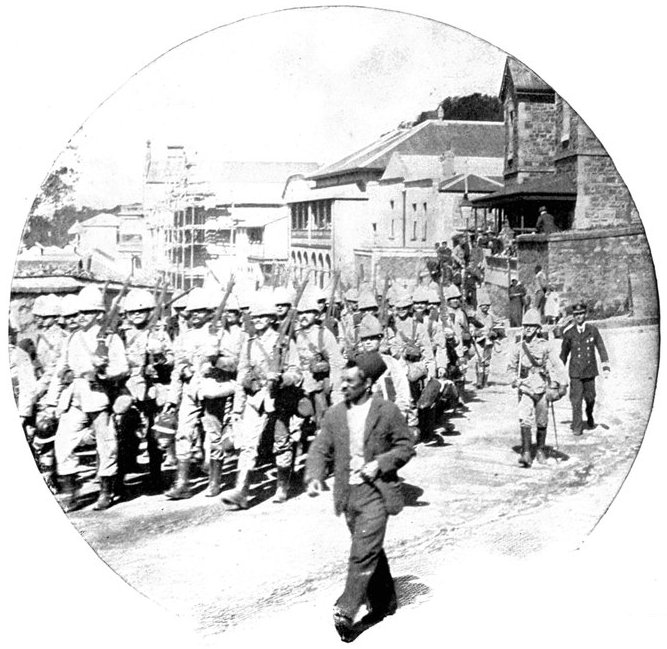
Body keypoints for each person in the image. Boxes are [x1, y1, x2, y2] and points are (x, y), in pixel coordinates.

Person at [305, 352, 415, 642]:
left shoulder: (387, 411)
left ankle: (347, 608)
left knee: (363, 549)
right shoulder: (335, 414)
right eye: (343, 380)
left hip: (377, 491)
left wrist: (380, 463)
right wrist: (314, 475)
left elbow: (406, 446)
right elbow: (320, 447)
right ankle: (385, 600)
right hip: (348, 494)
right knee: (368, 544)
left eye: (351, 382)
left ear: (367, 384)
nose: (343, 386)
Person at [45, 285, 130, 511]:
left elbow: (123, 368)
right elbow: (61, 370)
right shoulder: (73, 338)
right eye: (79, 312)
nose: (81, 316)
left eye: (87, 312)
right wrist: (52, 401)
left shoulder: (110, 338)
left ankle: (106, 491)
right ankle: (70, 493)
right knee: (63, 443)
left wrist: (103, 373)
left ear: (99, 314)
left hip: (99, 395)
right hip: (74, 397)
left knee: (106, 444)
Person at [222, 294, 302, 509]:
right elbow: (241, 377)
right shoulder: (249, 344)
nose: (257, 320)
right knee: (248, 445)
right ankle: (241, 492)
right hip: (254, 400)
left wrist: (282, 379)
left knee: (281, 442)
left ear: (271, 318)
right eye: (255, 317)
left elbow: (297, 372)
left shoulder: (284, 342)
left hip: (278, 399)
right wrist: (237, 409)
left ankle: (282, 487)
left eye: (262, 316)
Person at [507, 309, 568, 467]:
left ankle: (540, 451)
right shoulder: (518, 347)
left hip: (541, 387)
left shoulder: (546, 346)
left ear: (537, 328)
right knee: (524, 417)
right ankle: (526, 453)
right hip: (525, 387)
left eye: (531, 326)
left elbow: (557, 365)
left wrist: (562, 383)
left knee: (542, 420)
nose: (528, 329)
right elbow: (511, 369)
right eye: (525, 326)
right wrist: (515, 381)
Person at [559, 302, 610, 435]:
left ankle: (589, 413)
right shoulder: (569, 333)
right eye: (576, 314)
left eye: (581, 314)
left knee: (590, 398)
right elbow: (563, 354)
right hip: (575, 372)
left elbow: (601, 347)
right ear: (573, 316)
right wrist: (557, 370)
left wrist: (605, 366)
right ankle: (577, 427)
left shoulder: (593, 330)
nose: (579, 317)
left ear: (585, 314)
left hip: (589, 370)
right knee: (576, 400)